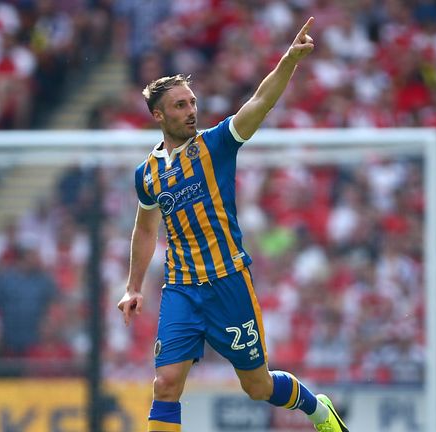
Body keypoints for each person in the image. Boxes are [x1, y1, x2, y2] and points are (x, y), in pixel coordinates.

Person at [117, 17, 349, 432]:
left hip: (229, 283)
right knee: (166, 384)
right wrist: (134, 286)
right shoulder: (147, 174)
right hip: (182, 288)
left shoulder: (216, 144)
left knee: (257, 387)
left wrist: (289, 62)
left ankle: (319, 409)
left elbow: (260, 101)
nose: (192, 111)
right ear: (158, 115)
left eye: (192, 103)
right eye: (180, 105)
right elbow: (146, 229)